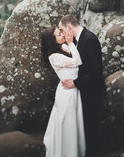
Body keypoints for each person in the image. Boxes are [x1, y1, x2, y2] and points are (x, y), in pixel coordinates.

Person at [59, 14, 104, 157]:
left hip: (92, 92)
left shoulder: (89, 39)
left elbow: (96, 71)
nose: (61, 33)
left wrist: (75, 83)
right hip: (84, 91)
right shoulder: (78, 40)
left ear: (69, 27)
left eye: (62, 29)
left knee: (91, 128)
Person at [41, 26, 86, 157]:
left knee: (75, 123)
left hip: (74, 90)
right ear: (52, 40)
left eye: (60, 32)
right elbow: (78, 61)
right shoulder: (54, 57)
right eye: (58, 35)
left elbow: (77, 54)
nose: (62, 35)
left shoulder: (64, 48)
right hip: (67, 94)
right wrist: (71, 42)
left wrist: (70, 44)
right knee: (68, 124)